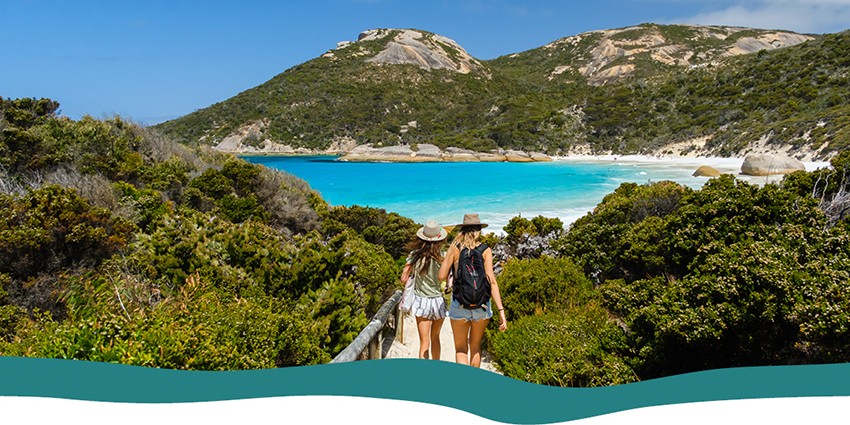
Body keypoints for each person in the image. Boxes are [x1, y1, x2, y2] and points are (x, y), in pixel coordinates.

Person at [439, 213, 507, 368]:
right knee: (475, 347)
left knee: (461, 349)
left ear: (462, 230)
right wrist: (501, 310)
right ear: (478, 230)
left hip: (460, 304)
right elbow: (492, 281)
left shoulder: (455, 248)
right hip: (482, 305)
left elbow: (441, 276)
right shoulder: (485, 250)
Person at [400, 220, 449, 360]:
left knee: (424, 342)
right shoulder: (443, 256)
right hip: (438, 301)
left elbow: (404, 278)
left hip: (421, 301)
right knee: (435, 338)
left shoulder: (415, 255)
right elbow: (446, 278)